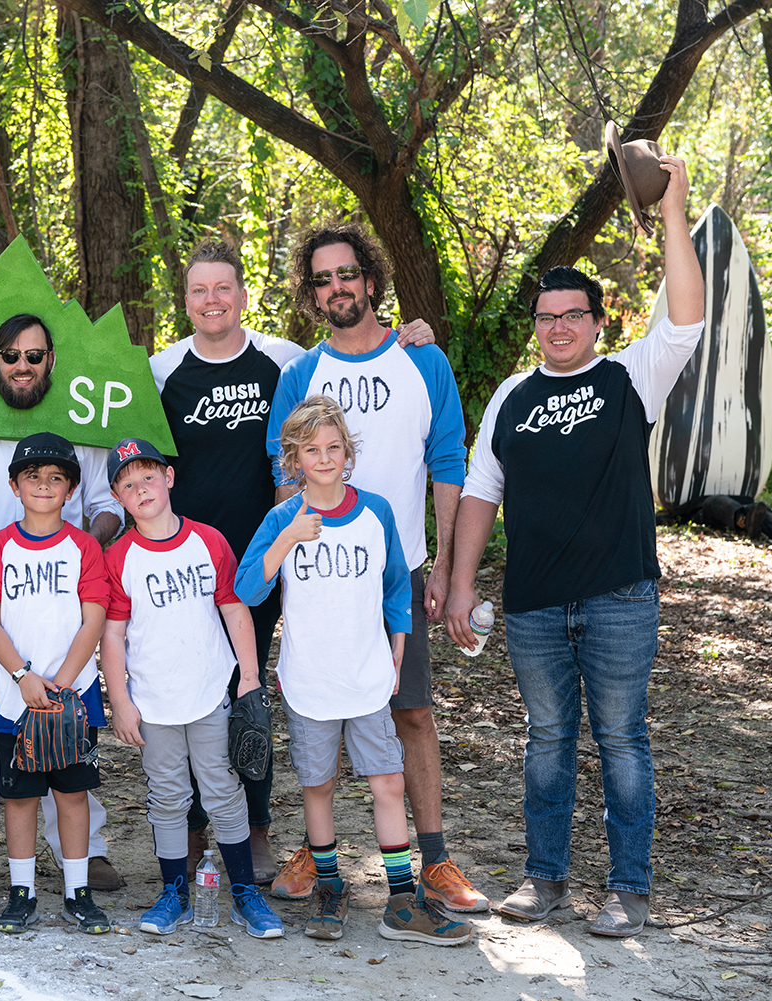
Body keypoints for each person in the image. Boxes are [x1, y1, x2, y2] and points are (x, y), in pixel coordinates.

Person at [445, 154, 704, 938]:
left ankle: (628, 887)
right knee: (547, 740)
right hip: (530, 604)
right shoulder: (511, 397)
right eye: (546, 316)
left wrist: (672, 210)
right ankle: (545, 877)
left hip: (620, 594)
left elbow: (686, 317)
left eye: (572, 314)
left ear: (596, 321)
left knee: (622, 738)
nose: (558, 326)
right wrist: (460, 585)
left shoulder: (631, 378)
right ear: (538, 326)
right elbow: (480, 493)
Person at [151, 239, 435, 882]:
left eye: (224, 287)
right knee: (202, 691)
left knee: (256, 692)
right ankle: (197, 830)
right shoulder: (161, 370)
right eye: (199, 290)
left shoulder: (283, 361)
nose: (212, 300)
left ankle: (255, 827)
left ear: (243, 295)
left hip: (276, 556)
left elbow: (359, 367)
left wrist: (409, 337)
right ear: (186, 300)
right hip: (193, 560)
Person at [265, 225, 487, 913]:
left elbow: (447, 462)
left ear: (371, 277)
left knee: (412, 711)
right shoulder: (301, 375)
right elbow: (282, 480)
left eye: (348, 273)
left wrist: (447, 566)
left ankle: (436, 858)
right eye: (323, 278)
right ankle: (316, 847)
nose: (338, 287)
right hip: (322, 585)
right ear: (312, 292)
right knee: (316, 714)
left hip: (399, 575)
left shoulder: (423, 361)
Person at [237, 398, 472, 946]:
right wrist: (288, 539)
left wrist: (397, 645)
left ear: (348, 453)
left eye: (333, 448)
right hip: (309, 680)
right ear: (292, 459)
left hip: (367, 675)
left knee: (388, 780)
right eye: (310, 450)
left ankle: (399, 901)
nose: (323, 459)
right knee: (318, 786)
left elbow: (394, 584)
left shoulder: (376, 511)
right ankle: (329, 887)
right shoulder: (281, 518)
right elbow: (247, 590)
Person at [0, 315, 124, 893]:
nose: (24, 365)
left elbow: (105, 505)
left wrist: (81, 551)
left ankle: (82, 849)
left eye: (35, 355)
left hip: (64, 607)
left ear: (52, 361)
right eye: (11, 355)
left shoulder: (79, 423)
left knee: (65, 718)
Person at [99, 437, 284, 939]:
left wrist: (249, 677)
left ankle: (244, 893)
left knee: (224, 791)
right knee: (167, 796)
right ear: (117, 496)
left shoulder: (207, 540)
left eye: (149, 477)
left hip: (209, 694)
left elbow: (233, 607)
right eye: (128, 483)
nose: (141, 489)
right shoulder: (119, 557)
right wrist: (120, 701)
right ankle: (174, 892)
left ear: (170, 478)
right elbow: (112, 635)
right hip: (154, 701)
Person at [0, 433, 113, 934]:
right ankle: (22, 892)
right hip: (15, 698)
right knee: (20, 797)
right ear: (14, 484)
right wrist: (23, 676)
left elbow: (93, 618)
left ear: (72, 489)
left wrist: (62, 684)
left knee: (72, 795)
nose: (44, 485)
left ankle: (78, 891)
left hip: (73, 696)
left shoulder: (84, 548)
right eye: (33, 476)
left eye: (57, 478)